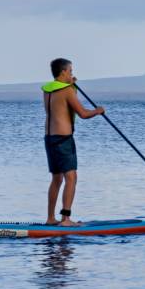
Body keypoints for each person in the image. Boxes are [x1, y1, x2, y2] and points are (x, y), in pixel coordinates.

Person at [42, 58, 105, 225]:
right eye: (70, 71)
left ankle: (50, 218)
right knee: (71, 177)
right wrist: (98, 111)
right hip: (63, 139)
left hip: (49, 138)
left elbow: (64, 105)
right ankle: (66, 218)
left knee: (57, 179)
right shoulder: (67, 91)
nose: (72, 74)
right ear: (63, 72)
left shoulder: (48, 90)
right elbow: (83, 114)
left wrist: (72, 86)